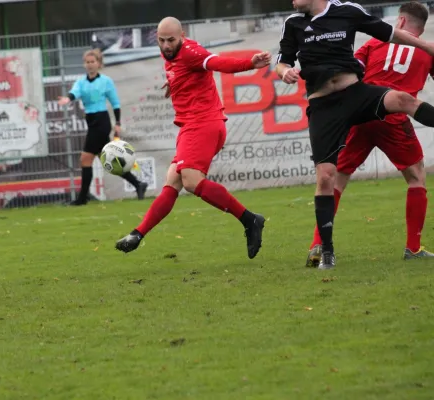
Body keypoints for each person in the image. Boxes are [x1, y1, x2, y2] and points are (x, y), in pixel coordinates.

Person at [276, 0, 434, 269]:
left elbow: (385, 36)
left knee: (401, 101)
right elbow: (283, 62)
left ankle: (318, 243)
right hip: (333, 108)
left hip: (357, 99)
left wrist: (425, 46)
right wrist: (285, 72)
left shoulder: (351, 15)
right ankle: (328, 251)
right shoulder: (294, 23)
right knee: (328, 177)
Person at [115, 17, 271, 259]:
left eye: (171, 40)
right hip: (192, 125)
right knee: (173, 181)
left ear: (182, 35)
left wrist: (250, 63)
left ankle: (250, 220)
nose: (166, 45)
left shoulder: (191, 52)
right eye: (161, 40)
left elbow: (218, 62)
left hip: (204, 124)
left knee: (190, 180)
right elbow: (182, 74)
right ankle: (138, 234)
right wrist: (174, 85)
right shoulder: (170, 55)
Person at [58, 49, 147, 206]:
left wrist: (118, 123)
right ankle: (138, 184)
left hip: (101, 122)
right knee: (109, 161)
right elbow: (74, 92)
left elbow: (115, 103)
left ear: (99, 63)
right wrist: (68, 98)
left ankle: (82, 198)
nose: (90, 65)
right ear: (84, 64)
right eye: (88, 62)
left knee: (85, 158)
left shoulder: (106, 81)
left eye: (93, 62)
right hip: (91, 121)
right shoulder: (81, 82)